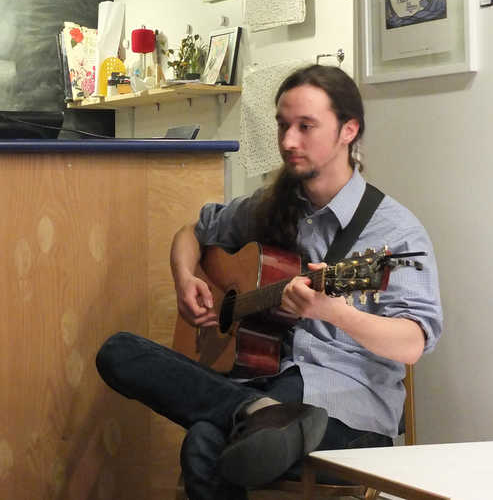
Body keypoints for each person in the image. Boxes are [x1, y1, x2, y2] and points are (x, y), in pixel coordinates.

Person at [95, 65, 442, 499]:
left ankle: (252, 416)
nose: (288, 142)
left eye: (306, 127)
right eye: (283, 126)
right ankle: (254, 412)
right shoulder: (272, 206)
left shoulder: (395, 233)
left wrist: (329, 310)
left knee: (205, 441)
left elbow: (413, 341)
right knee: (119, 352)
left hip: (348, 414)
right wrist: (185, 278)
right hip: (260, 384)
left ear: (348, 130)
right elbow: (192, 232)